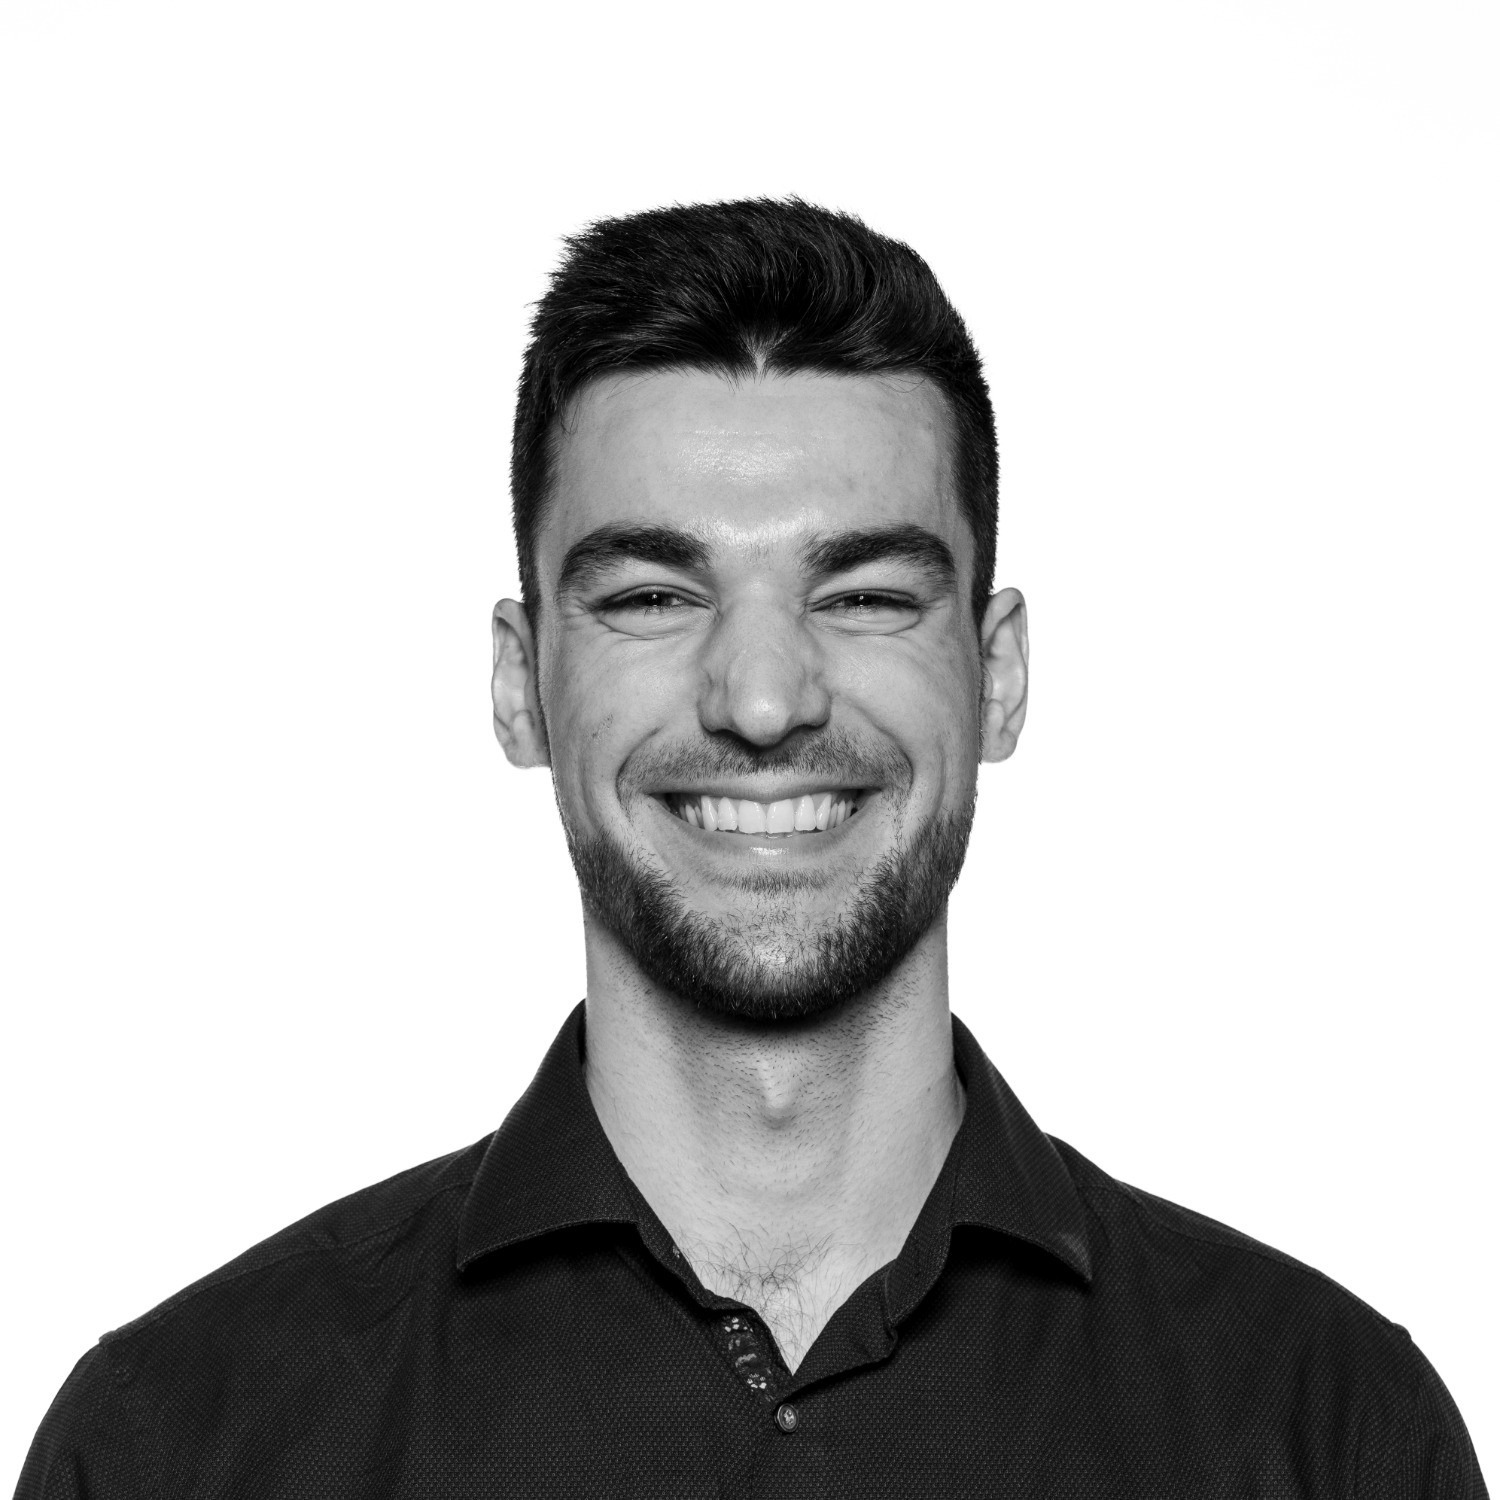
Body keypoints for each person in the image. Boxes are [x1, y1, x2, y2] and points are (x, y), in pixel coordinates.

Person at [16, 198, 1487, 1498]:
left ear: (1000, 676)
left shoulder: (1325, 1433)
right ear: (522, 685)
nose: (765, 700)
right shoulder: (182, 1444)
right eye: (653, 597)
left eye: (866, 596)